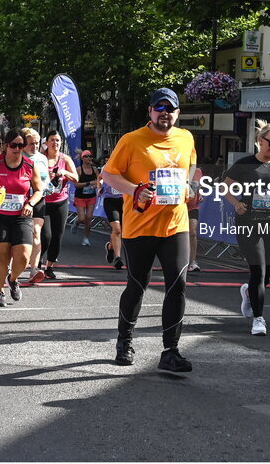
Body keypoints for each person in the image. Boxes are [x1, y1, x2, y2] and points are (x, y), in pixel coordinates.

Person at [101, 88, 197, 373]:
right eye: (159, 108)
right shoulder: (132, 140)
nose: (164, 112)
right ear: (150, 112)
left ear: (177, 113)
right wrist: (135, 190)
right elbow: (108, 174)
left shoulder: (186, 137)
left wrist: (190, 184)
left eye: (170, 108)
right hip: (140, 227)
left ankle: (170, 351)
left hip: (175, 225)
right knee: (138, 286)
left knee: (177, 285)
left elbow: (190, 164)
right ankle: (124, 341)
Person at [221, 121, 270, 336]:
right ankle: (258, 318)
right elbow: (224, 187)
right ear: (259, 141)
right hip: (248, 224)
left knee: (268, 273)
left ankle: (248, 292)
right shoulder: (244, 163)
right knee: (258, 269)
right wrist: (236, 203)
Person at [0, 129, 45, 307]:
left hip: (21, 216)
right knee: (1, 257)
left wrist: (30, 204)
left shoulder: (29, 165)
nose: (17, 149)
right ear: (7, 145)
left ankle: (13, 279)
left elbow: (39, 190)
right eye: (13, 145)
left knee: (23, 255)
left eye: (21, 145)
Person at [41, 130, 78, 279]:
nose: (55, 143)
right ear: (47, 143)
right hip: (43, 202)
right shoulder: (41, 159)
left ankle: (49, 267)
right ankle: (36, 262)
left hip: (60, 202)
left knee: (57, 236)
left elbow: (76, 178)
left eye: (57, 140)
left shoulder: (65, 159)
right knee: (46, 236)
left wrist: (64, 173)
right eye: (52, 140)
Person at [22, 128, 51, 284]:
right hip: (22, 200)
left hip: (39, 198)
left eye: (36, 143)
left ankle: (33, 270)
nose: (34, 147)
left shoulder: (42, 158)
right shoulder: (19, 157)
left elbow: (45, 178)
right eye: (30, 144)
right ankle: (13, 265)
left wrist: (49, 185)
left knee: (37, 234)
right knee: (20, 235)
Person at [101, 157, 125, 270]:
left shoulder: (127, 168)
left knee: (121, 231)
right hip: (110, 201)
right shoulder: (107, 168)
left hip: (124, 201)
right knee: (117, 230)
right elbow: (100, 177)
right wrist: (99, 185)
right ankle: (118, 258)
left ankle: (110, 247)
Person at [74, 150, 100, 246]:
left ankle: (86, 238)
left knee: (89, 218)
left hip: (91, 196)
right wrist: (88, 183)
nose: (89, 158)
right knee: (82, 218)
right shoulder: (79, 170)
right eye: (87, 156)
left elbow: (99, 181)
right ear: (82, 158)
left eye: (90, 156)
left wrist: (97, 184)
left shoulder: (95, 169)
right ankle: (76, 222)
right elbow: (76, 185)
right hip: (80, 197)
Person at [186, 165, 204, 273]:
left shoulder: (198, 171)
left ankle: (193, 262)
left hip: (193, 206)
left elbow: (199, 186)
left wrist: (200, 195)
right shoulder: (178, 169)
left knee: (192, 232)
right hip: (179, 206)